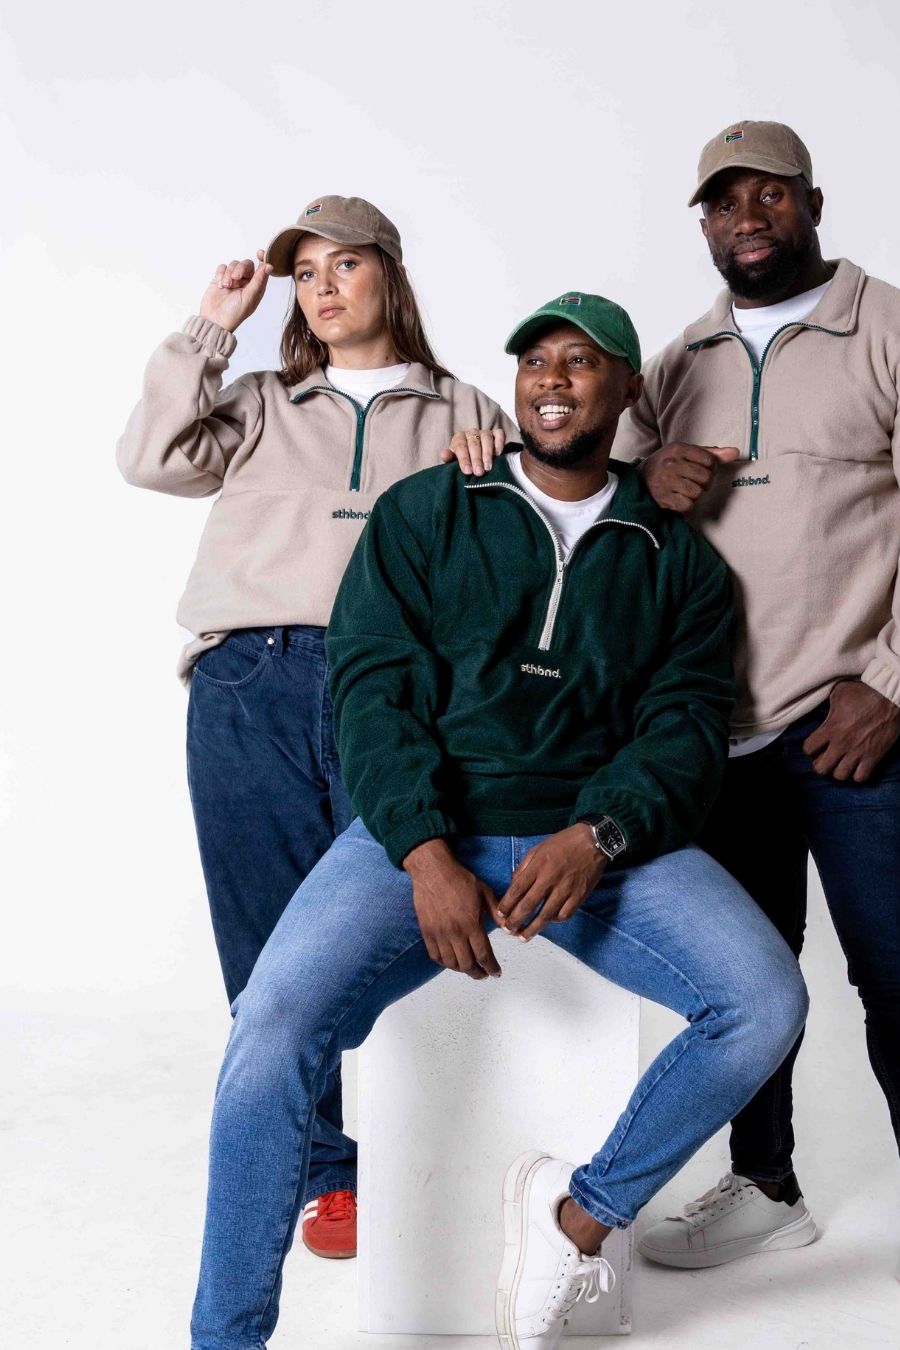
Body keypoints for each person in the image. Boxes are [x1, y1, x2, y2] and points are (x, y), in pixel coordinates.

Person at [187, 292, 809, 1350]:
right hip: (427, 839)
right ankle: (226, 1338)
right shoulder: (432, 510)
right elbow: (373, 690)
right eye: (535, 362)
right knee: (272, 1026)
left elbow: (687, 729)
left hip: (596, 850)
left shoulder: (678, 561)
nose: (553, 379)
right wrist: (424, 853)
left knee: (762, 1000)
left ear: (627, 391)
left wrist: (600, 834)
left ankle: (578, 1216)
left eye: (582, 362)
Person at [614, 121, 900, 1349]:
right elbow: (602, 503)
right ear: (703, 221)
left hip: (856, 728)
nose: (748, 214)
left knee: (896, 976)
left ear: (812, 202)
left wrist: (893, 680)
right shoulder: (674, 361)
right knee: (755, 982)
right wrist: (647, 471)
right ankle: (769, 1187)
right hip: (713, 734)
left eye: (769, 193)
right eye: (724, 199)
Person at [117, 195, 515, 1260]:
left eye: (345, 265)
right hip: (249, 680)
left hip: (391, 696)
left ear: (390, 272)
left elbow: (520, 549)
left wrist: (494, 467)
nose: (324, 287)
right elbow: (150, 457)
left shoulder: (465, 408)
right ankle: (329, 1172)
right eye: (305, 274)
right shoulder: (258, 401)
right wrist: (210, 323)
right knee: (264, 951)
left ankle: (420, 1145)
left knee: (380, 931)